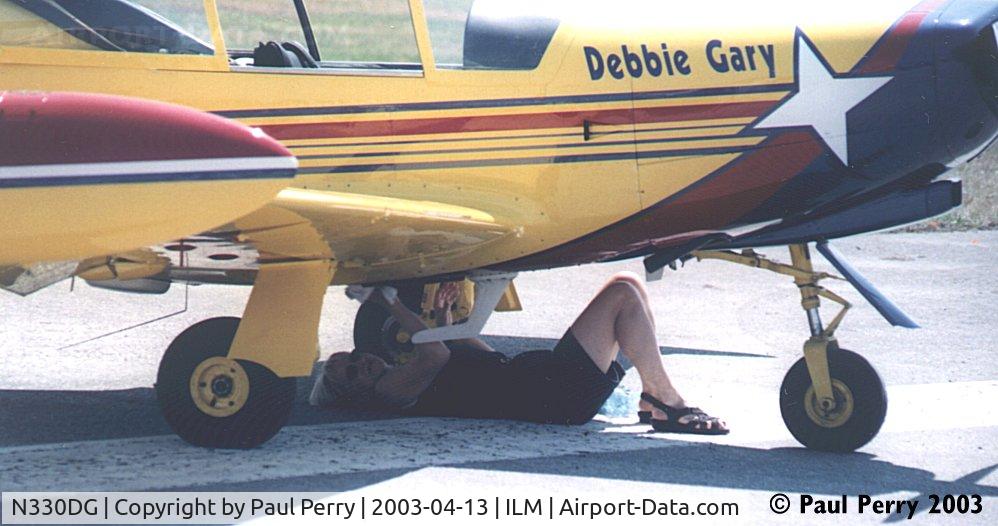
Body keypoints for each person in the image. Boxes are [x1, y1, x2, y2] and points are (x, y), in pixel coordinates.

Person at [311, 273, 728, 434]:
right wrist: (388, 302)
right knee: (622, 294)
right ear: (356, 394)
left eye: (346, 357)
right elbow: (435, 356)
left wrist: (443, 319)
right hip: (552, 394)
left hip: (544, 384)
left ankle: (657, 398)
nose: (357, 361)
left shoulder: (403, 378)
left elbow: (474, 355)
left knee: (629, 287)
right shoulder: (386, 394)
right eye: (349, 373)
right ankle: (664, 401)